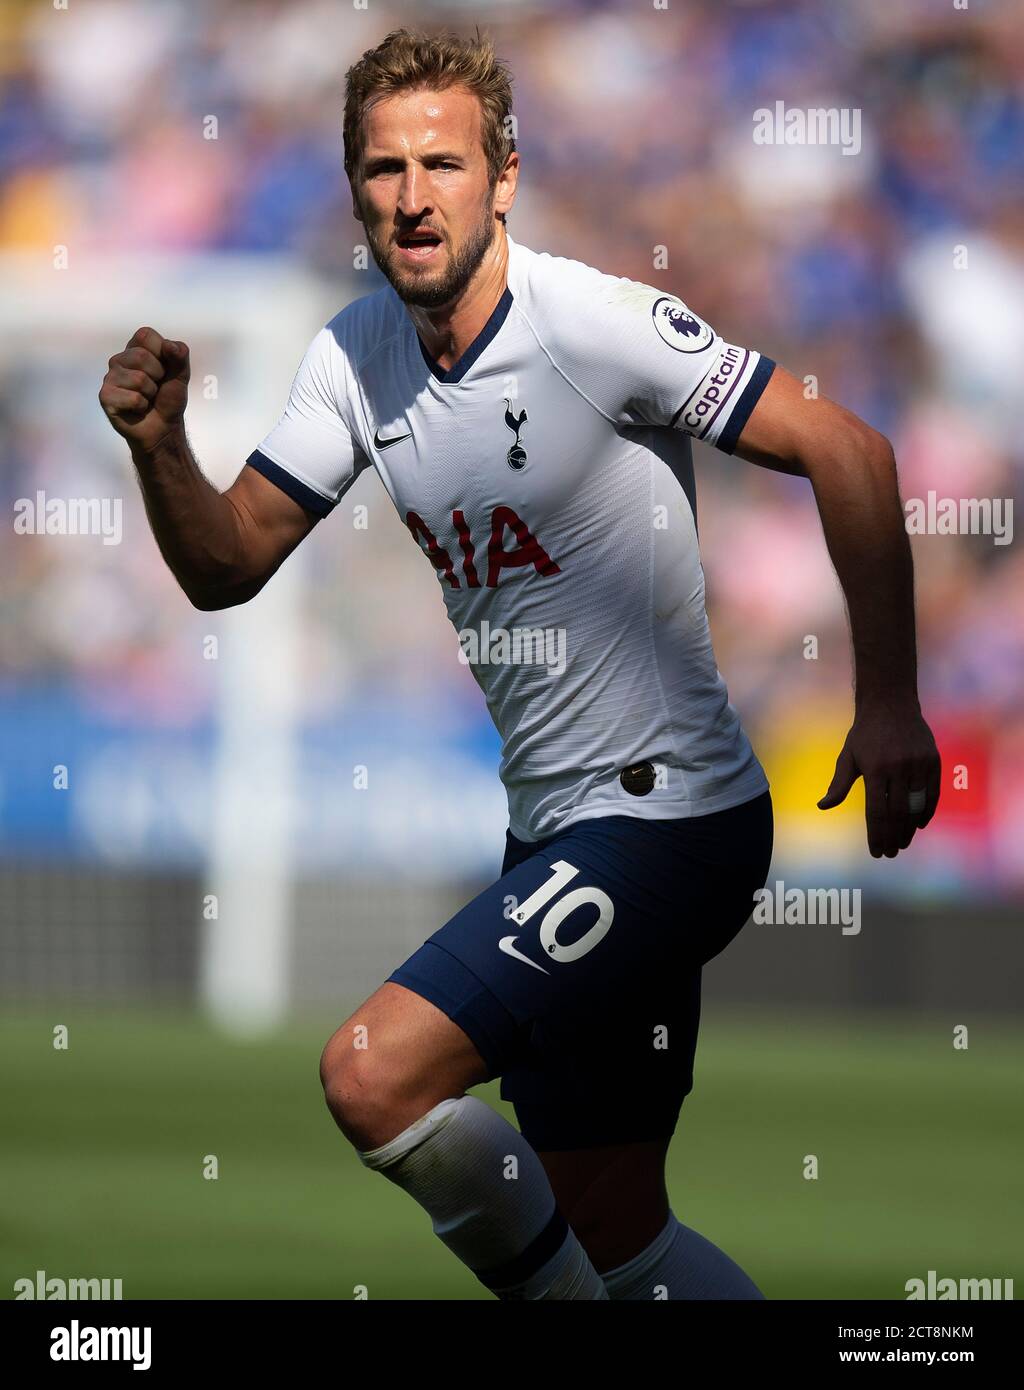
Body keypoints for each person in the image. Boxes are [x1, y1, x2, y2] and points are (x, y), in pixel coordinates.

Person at [98, 27, 941, 1300]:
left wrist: (886, 707)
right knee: (614, 1232)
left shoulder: (593, 324)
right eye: (382, 170)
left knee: (372, 1072)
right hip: (554, 832)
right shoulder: (351, 358)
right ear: (354, 192)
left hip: (668, 821)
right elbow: (228, 564)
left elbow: (854, 453)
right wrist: (162, 448)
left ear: (502, 178)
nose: (411, 194)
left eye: (442, 163)